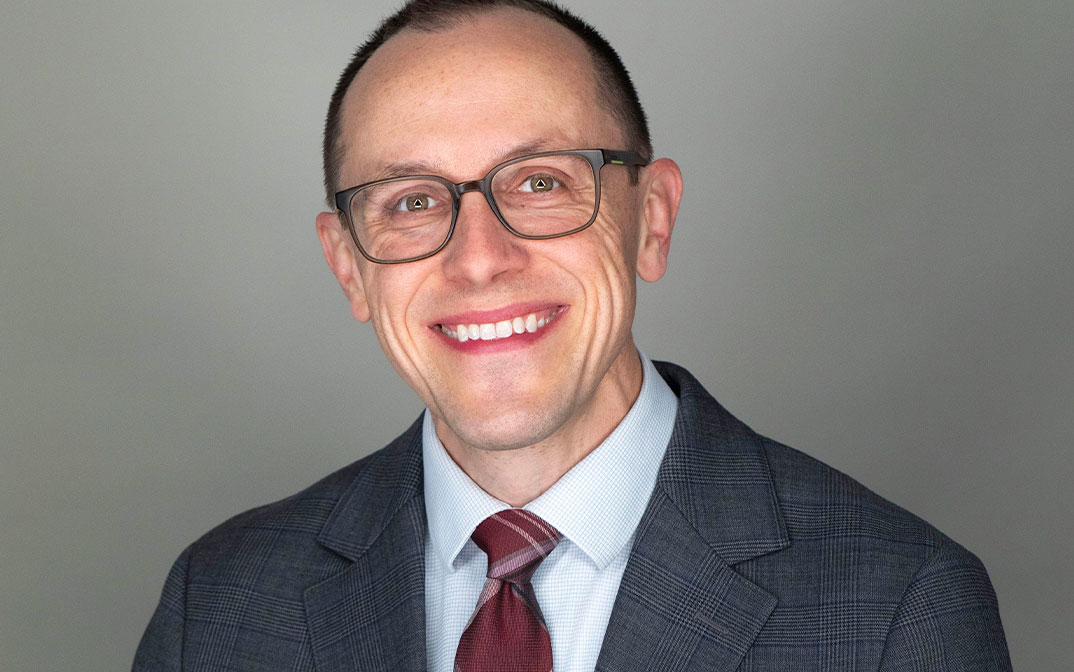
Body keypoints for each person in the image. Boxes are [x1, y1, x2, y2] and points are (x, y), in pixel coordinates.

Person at [133, 1, 1012, 670]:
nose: (479, 259)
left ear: (652, 220)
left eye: (542, 183)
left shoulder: (903, 608)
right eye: (409, 201)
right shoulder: (216, 607)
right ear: (350, 267)